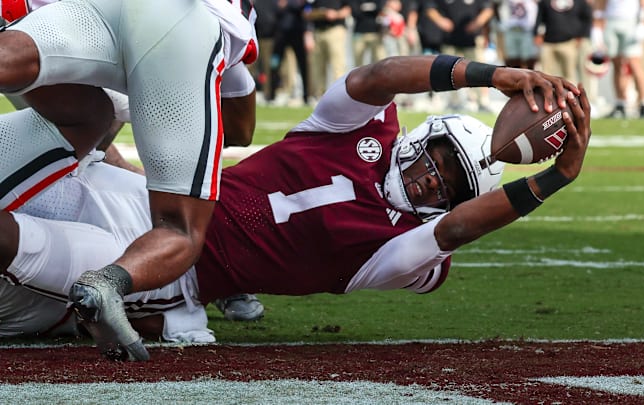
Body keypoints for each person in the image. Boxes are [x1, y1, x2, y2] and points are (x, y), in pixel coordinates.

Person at [0, 54, 590, 359]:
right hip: (149, 197)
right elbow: (381, 75)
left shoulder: (393, 253)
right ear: (424, 135)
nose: (436, 182)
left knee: (16, 239)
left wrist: (552, 181)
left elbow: (454, 231)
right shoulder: (356, 130)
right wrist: (493, 76)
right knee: (93, 110)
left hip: (162, 269)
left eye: (454, 184)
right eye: (439, 159)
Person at [0, 0, 259, 361]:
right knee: (179, 228)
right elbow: (240, 128)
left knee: (18, 64)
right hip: (180, 31)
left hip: (98, 15)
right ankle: (107, 285)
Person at [592, 0, 644, 118]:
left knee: (634, 64)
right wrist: (597, 27)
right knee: (617, 65)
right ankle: (620, 103)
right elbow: (600, 4)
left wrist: (643, 21)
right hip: (611, 20)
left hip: (631, 21)